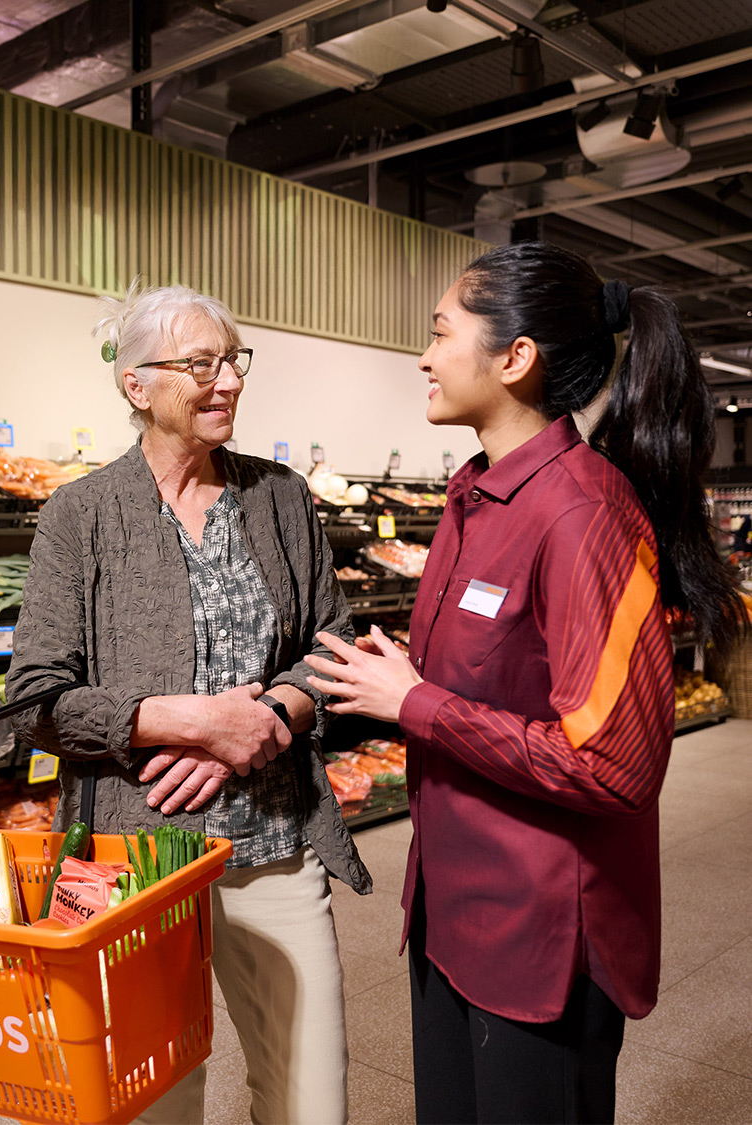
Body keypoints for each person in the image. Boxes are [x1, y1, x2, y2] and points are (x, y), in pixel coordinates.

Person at [304, 241, 746, 1125]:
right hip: (449, 911)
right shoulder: (472, 496)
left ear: (515, 357)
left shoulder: (584, 514)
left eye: (438, 333)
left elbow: (613, 764)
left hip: (542, 936)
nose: (423, 358)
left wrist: (415, 701)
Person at [6, 281, 371, 1125]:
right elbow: (35, 697)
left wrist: (272, 717)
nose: (229, 381)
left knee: (310, 1096)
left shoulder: (279, 495)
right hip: (133, 853)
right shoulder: (82, 514)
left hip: (274, 840)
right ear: (137, 385)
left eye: (233, 361)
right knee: (153, 1100)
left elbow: (330, 641)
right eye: (201, 363)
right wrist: (188, 721)